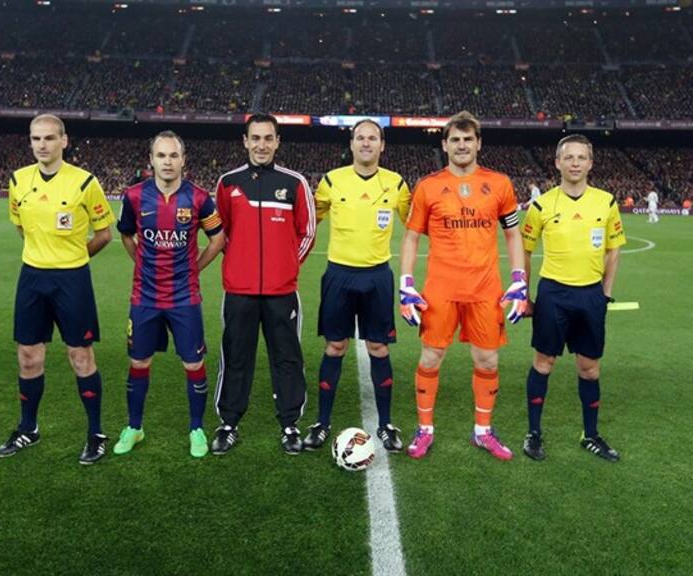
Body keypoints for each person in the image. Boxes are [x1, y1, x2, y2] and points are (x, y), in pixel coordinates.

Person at [399, 110, 526, 461]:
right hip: (440, 290)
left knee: (487, 361)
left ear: (479, 143)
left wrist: (519, 279)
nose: (461, 145)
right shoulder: (428, 186)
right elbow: (410, 238)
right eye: (455, 139)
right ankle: (425, 429)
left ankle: (483, 432)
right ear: (444, 145)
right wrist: (406, 283)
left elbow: (513, 234)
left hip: (486, 290)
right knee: (431, 356)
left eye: (468, 139)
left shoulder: (500, 184)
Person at [0, 114, 115, 465]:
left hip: (72, 279)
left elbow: (104, 233)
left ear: (64, 141)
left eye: (49, 138)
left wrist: (74, 257)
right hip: (32, 277)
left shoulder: (84, 182)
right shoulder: (19, 180)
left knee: (80, 356)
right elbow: (20, 226)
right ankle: (28, 428)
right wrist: (43, 255)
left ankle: (95, 434)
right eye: (36, 139)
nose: (42, 145)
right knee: (28, 357)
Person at [114, 131, 225, 458]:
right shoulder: (133, 196)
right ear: (151, 160)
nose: (167, 162)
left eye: (173, 156)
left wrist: (194, 268)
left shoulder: (200, 198)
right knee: (139, 361)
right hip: (144, 297)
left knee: (193, 363)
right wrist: (143, 264)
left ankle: (196, 429)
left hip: (184, 297)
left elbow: (218, 240)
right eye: (161, 156)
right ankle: (134, 427)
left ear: (183, 160)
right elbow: (126, 235)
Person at [302, 119, 411, 453]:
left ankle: (385, 424)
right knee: (335, 347)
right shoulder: (332, 182)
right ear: (351, 144)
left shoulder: (397, 184)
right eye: (360, 137)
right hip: (339, 275)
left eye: (372, 138)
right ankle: (321, 422)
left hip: (378, 276)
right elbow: (307, 220)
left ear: (382, 145)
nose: (366, 143)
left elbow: (417, 224)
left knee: (379, 349)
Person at [212, 113, 316, 455]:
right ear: (245, 141)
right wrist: (240, 262)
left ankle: (289, 425)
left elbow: (308, 232)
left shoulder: (295, 182)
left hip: (281, 292)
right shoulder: (228, 182)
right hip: (238, 292)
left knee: (286, 358)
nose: (261, 144)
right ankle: (228, 424)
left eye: (268, 138)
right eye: (255, 138)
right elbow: (220, 233)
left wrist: (284, 266)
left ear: (277, 141)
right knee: (235, 357)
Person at [520, 134, 626, 462]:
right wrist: (524, 294)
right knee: (544, 363)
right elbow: (524, 250)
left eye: (582, 158)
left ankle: (590, 434)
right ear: (557, 163)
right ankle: (534, 433)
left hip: (590, 295)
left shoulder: (606, 202)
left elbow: (614, 249)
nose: (576, 163)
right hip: (553, 293)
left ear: (591, 163)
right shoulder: (541, 206)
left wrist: (605, 293)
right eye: (569, 158)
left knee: (589, 368)